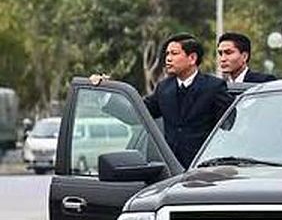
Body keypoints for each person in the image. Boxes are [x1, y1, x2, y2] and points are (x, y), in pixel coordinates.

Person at [91, 33, 234, 167]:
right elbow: (137, 114)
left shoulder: (214, 87)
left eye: (174, 53)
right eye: (167, 54)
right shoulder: (164, 88)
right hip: (170, 170)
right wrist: (106, 93)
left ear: (192, 58)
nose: (168, 59)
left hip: (204, 169)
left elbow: (229, 126)